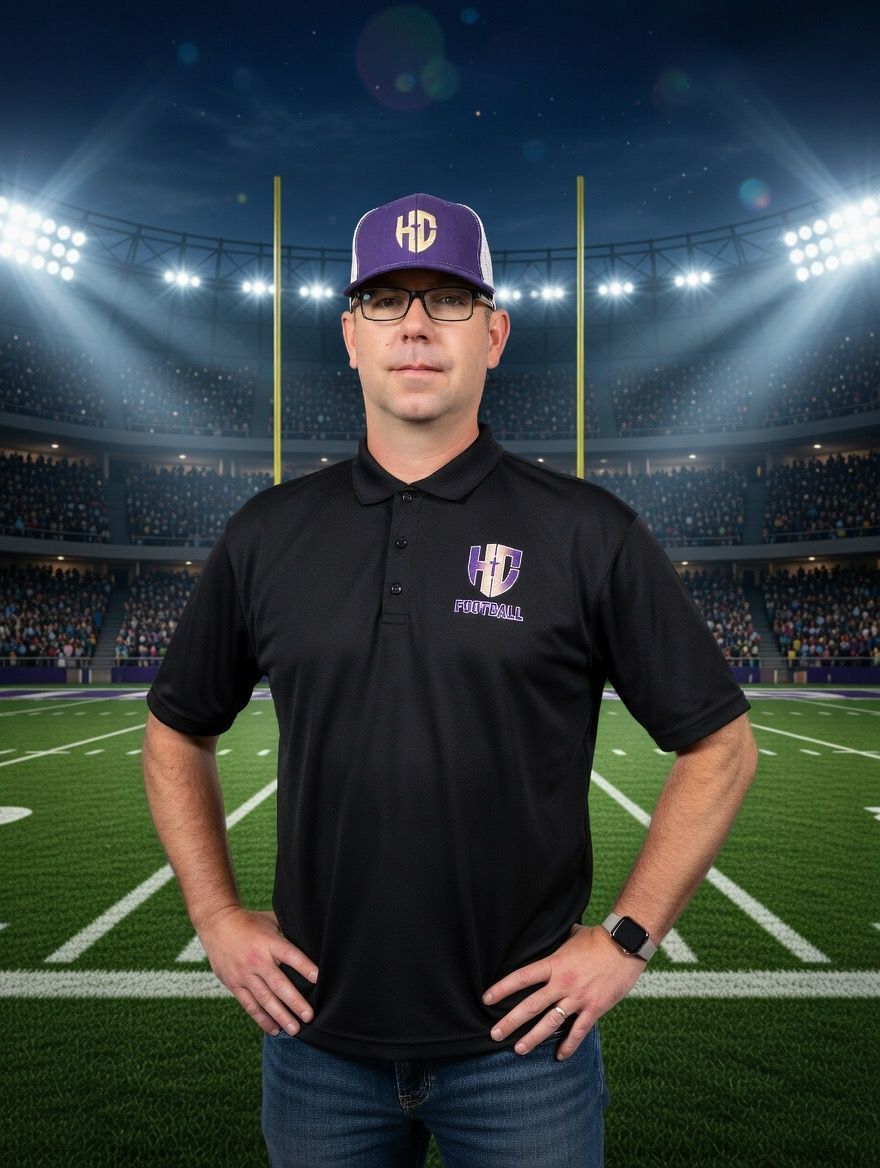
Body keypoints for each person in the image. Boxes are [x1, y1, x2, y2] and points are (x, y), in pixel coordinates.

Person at [142, 192, 757, 1167]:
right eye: (385, 301)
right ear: (350, 335)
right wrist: (215, 917)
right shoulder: (267, 532)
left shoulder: (586, 530)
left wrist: (627, 938)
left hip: (524, 1056)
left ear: (495, 334)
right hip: (315, 1047)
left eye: (448, 300)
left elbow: (719, 743)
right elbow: (177, 728)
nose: (416, 324)